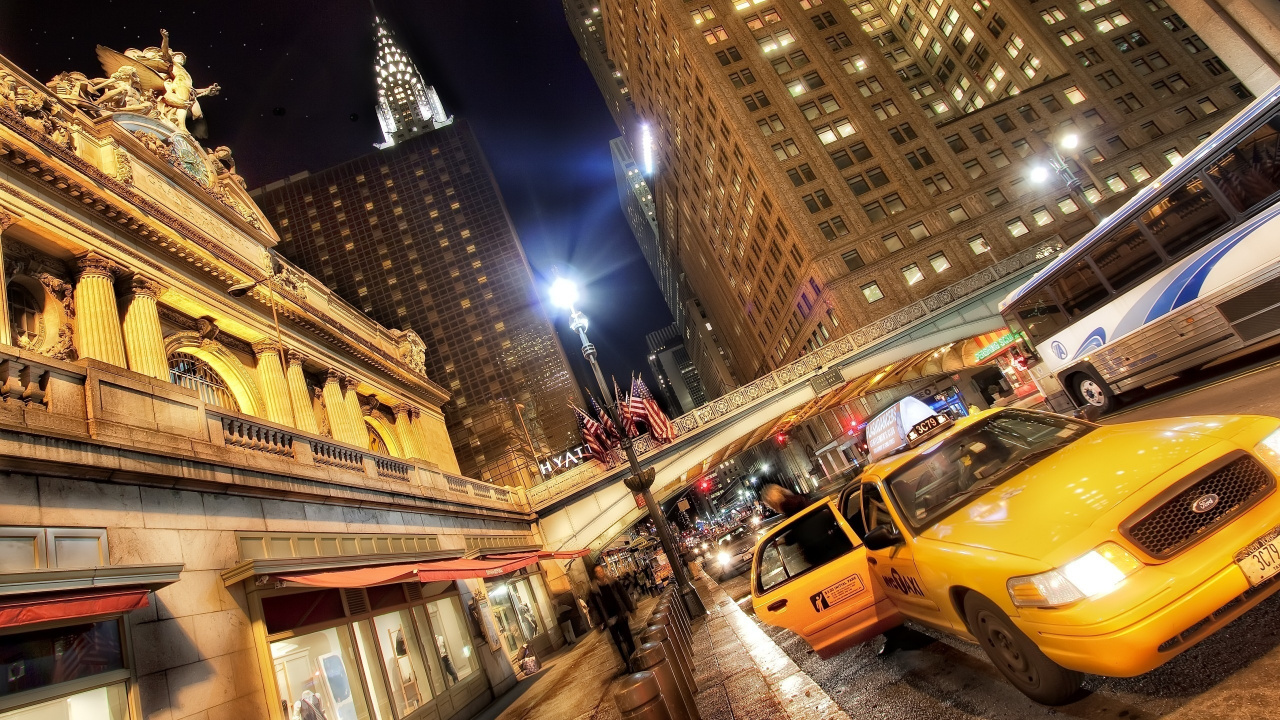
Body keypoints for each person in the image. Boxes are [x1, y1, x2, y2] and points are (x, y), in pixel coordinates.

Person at [589, 563, 637, 673]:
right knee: (619, 643)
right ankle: (628, 663)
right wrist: (598, 623)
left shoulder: (613, 582)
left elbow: (623, 594)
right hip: (609, 620)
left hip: (621, 614)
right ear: (595, 574)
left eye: (601, 570)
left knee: (628, 638)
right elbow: (593, 608)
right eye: (598, 572)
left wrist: (630, 608)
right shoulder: (594, 591)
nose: (600, 573)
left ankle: (634, 657)